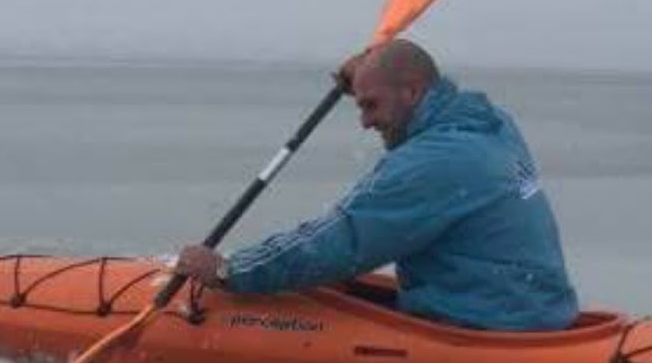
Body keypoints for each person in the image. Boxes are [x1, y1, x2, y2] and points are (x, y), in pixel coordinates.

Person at [174, 39, 578, 332]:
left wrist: (230, 270)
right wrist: (372, 72)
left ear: (413, 91)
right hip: (537, 311)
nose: (364, 122)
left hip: (485, 325)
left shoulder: (430, 163)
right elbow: (407, 72)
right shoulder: (492, 124)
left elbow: (340, 241)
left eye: (371, 105)